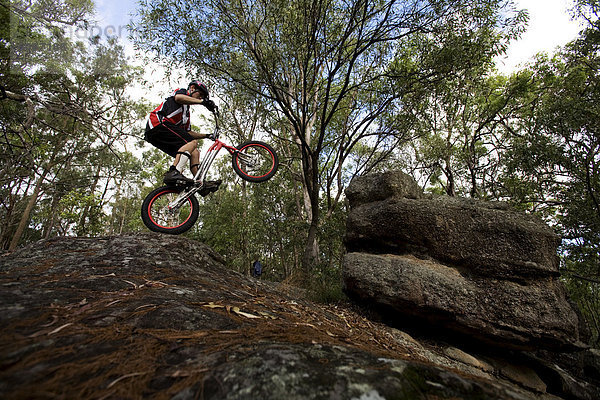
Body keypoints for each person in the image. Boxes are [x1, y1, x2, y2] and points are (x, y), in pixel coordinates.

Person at [145, 80, 221, 193]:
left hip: (158, 135)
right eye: (199, 94)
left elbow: (187, 133)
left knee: (194, 151)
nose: (200, 98)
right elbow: (178, 98)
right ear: (192, 88)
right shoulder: (182, 93)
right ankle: (174, 171)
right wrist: (203, 102)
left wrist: (207, 135)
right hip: (157, 124)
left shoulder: (186, 114)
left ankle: (200, 183)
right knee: (191, 142)